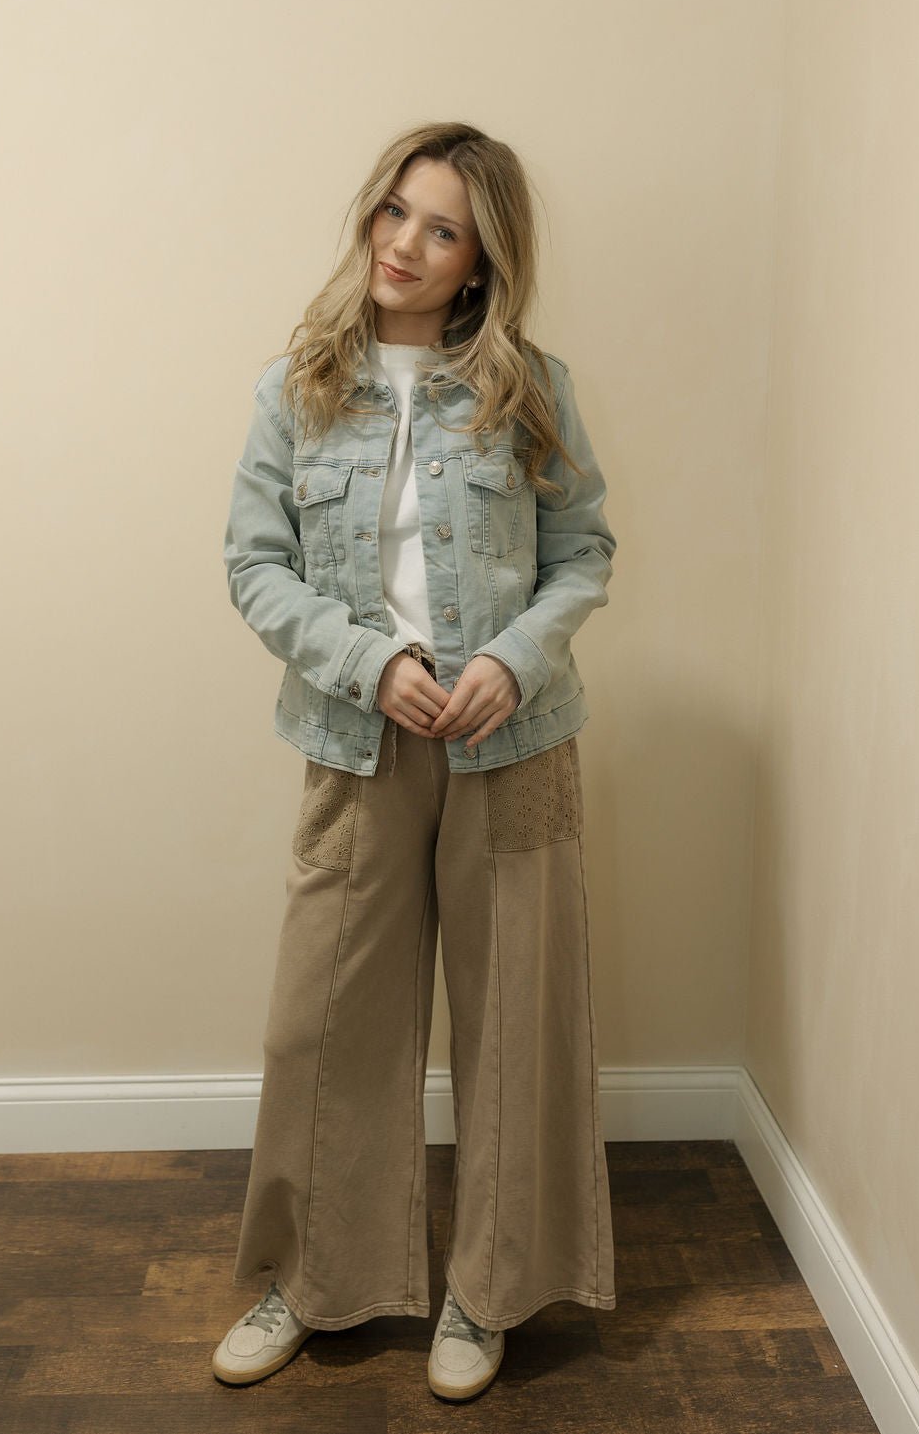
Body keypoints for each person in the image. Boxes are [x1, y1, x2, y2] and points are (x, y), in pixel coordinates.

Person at [213, 120, 617, 1403]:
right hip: (356, 733)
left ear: (480, 260)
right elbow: (254, 565)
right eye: (396, 211)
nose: (405, 244)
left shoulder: (530, 387)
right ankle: (311, 1280)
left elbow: (583, 553)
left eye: (442, 229)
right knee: (326, 1020)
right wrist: (366, 659)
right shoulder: (298, 387)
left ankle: (486, 1293)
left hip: (511, 741)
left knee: (514, 1024)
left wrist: (515, 658)